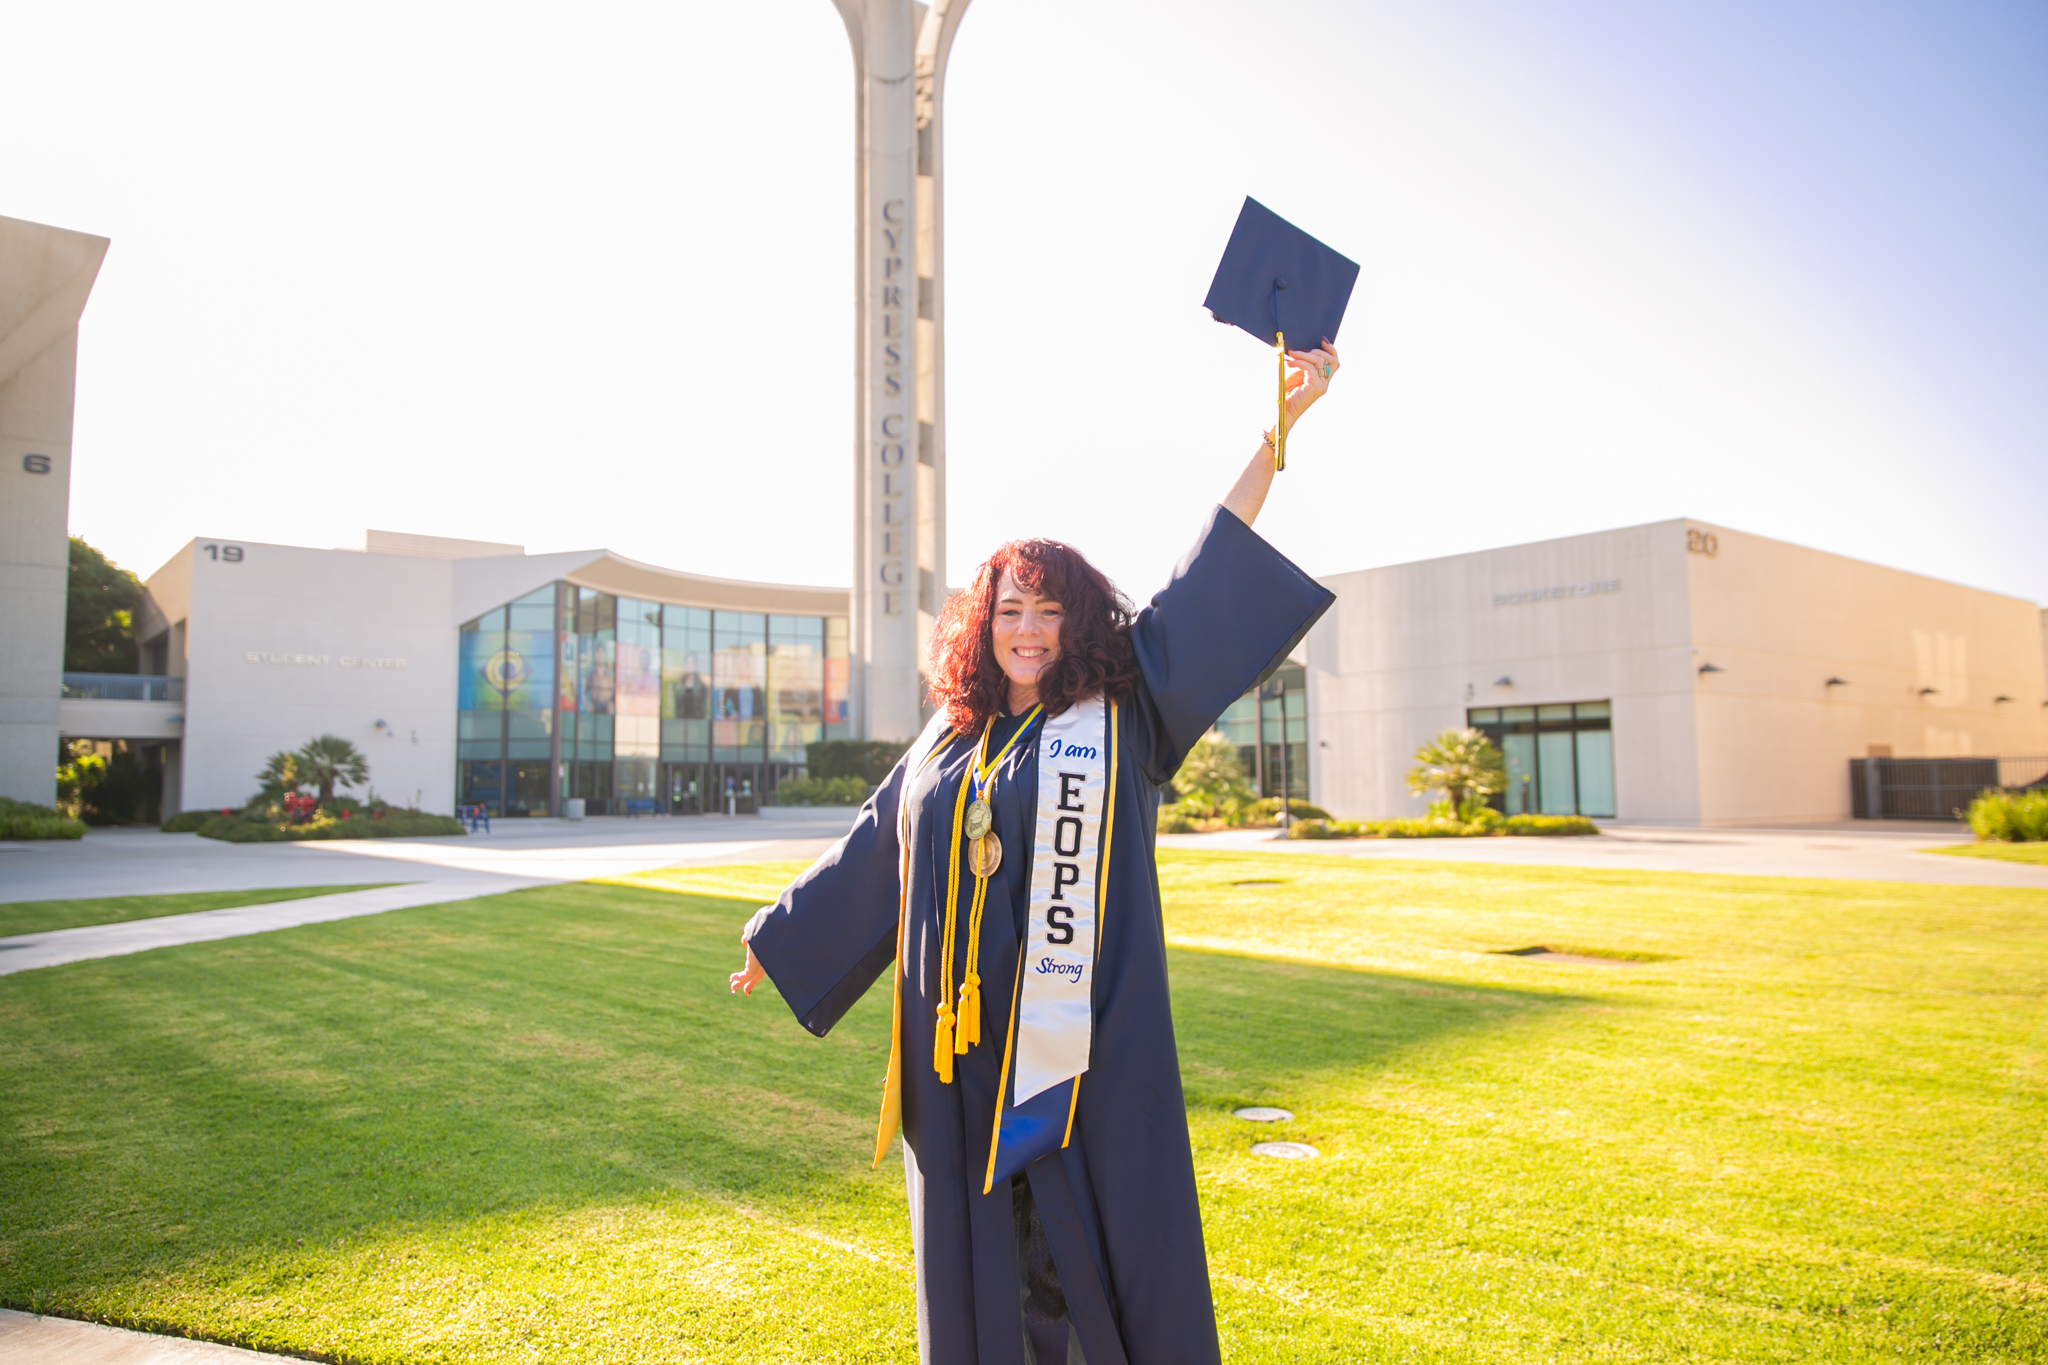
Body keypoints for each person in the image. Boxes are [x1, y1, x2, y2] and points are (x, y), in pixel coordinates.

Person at [731, 342, 1342, 1364]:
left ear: (1077, 622)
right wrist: (780, 937)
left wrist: (1276, 436)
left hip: (1078, 1052)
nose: (1026, 628)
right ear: (981, 624)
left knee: (1081, 1255)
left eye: (1047, 610)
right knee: (976, 1270)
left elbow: (1205, 574)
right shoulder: (948, 737)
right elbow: (879, 845)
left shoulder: (1120, 712)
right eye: (1008, 609)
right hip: (957, 1058)